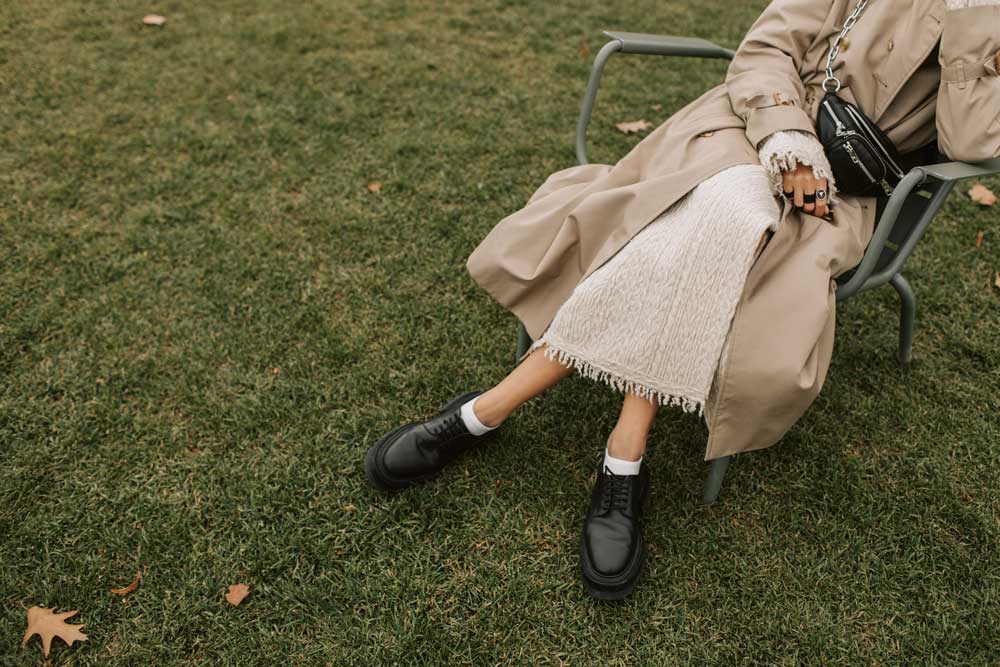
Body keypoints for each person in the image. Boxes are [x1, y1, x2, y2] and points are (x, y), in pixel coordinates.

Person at [364, 0, 1000, 600]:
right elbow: (768, 48)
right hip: (746, 132)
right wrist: (788, 141)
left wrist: (973, 15)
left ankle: (483, 412)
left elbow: (971, 142)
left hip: (841, 194)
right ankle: (623, 457)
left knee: (715, 226)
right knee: (724, 210)